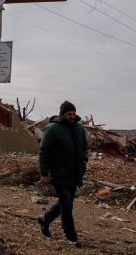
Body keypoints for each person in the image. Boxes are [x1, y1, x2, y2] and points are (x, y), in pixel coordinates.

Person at [37, 100, 88, 248]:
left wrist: (84, 159)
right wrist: (44, 173)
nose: (72, 116)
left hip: (75, 174)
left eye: (73, 113)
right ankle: (71, 237)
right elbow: (44, 152)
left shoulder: (79, 128)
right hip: (59, 173)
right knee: (67, 206)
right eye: (68, 114)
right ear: (62, 114)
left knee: (66, 203)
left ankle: (45, 218)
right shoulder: (52, 129)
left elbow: (85, 147)